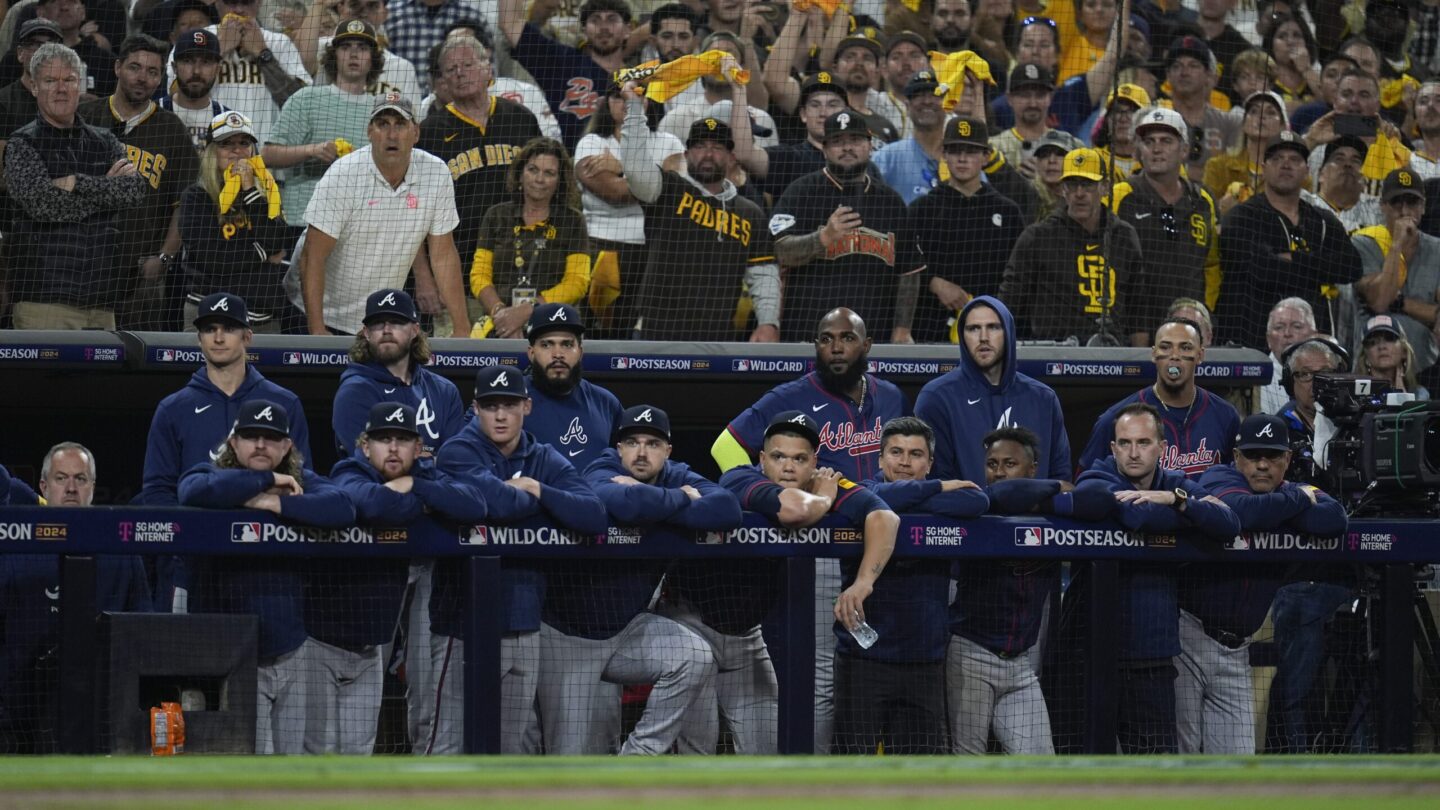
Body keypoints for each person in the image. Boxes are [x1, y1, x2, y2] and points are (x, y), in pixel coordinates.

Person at [713, 307, 906, 753]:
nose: (836, 347)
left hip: (876, 542)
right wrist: (758, 491)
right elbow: (725, 446)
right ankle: (812, 772)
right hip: (819, 542)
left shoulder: (892, 397)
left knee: (869, 669)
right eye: (825, 338)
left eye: (846, 338)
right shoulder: (793, 394)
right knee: (820, 673)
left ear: (867, 345)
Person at [535, 405, 734, 755]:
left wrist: (654, 500)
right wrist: (682, 500)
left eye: (653, 443)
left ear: (668, 451)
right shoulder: (601, 468)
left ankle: (638, 757)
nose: (642, 452)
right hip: (568, 636)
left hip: (626, 629)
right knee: (569, 759)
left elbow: (728, 509)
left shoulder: (676, 472)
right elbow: (625, 505)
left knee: (695, 655)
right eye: (632, 442)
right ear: (619, 448)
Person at [429, 364, 608, 755]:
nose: (500, 415)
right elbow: (496, 502)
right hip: (463, 626)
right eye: (491, 405)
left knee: (507, 754)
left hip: (525, 624)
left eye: (509, 405)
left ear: (526, 406)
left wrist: (537, 488)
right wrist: (531, 501)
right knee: (446, 747)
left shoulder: (542, 457)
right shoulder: (458, 451)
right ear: (475, 408)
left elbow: (594, 515)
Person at [178, 398, 355, 754]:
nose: (260, 444)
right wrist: (265, 480)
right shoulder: (211, 473)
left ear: (288, 445)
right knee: (243, 762)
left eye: (271, 438)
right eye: (251, 436)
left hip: (290, 648)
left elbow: (344, 507)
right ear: (234, 443)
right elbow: (192, 490)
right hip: (232, 657)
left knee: (289, 766)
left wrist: (277, 503)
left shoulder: (302, 482)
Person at [1073, 403, 1241, 754]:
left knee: (1155, 771)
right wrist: (1190, 515)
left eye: (1144, 442)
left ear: (1162, 448)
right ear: (1113, 448)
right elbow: (1141, 517)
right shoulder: (1097, 478)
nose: (1134, 453)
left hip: (1153, 657)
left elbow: (1229, 524)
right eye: (1125, 443)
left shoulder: (1175, 484)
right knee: (1084, 774)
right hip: (1089, 657)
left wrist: (1175, 500)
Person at [320, 403, 487, 754]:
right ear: (365, 446)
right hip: (327, 638)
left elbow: (474, 505)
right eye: (383, 439)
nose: (393, 448)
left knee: (354, 752)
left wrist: (414, 485)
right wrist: (424, 502)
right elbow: (376, 505)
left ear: (417, 447)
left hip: (375, 629)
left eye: (402, 440)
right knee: (310, 750)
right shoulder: (348, 469)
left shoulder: (424, 474)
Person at [1187, 415, 1348, 753]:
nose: (1262, 465)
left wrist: (1285, 503)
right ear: (1237, 457)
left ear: (1288, 460)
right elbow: (1243, 512)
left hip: (1238, 650)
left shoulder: (1288, 490)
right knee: (1178, 756)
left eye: (1272, 456)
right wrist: (1301, 499)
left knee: (1238, 762)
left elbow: (1335, 518)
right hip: (1188, 640)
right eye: (1253, 455)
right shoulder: (1218, 476)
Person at [0, 443, 150, 754]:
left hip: (102, 709)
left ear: (93, 487)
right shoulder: (16, 550)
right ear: (43, 486)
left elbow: (141, 631)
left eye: (80, 479)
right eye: (61, 478)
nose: (71, 488)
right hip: (20, 711)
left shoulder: (121, 553)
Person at [853, 416, 987, 754]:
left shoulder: (877, 496)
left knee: (921, 775)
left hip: (924, 662)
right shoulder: (859, 492)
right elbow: (870, 494)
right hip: (864, 661)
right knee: (851, 771)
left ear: (929, 463)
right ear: (880, 459)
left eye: (915, 454)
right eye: (896, 452)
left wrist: (905, 498)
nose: (905, 462)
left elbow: (977, 501)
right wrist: (938, 488)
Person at [300, 93, 470, 337]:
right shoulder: (343, 174)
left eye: (400, 124)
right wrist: (316, 329)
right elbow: (311, 256)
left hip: (379, 318)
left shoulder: (436, 173)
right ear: (370, 132)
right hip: (321, 314)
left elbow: (443, 255)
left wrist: (462, 326)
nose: (392, 135)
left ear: (416, 133)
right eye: (383, 124)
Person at [3, 42, 145, 330]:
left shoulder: (104, 140)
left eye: (68, 79)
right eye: (50, 80)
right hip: (43, 301)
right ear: (34, 87)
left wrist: (76, 182)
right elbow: (42, 205)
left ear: (79, 85)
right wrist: (106, 189)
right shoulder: (22, 143)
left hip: (102, 301)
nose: (61, 88)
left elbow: (134, 191)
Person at [619, 83, 777, 341]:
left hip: (717, 335)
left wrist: (769, 322)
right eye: (700, 146)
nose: (708, 154)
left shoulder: (750, 213)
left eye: (717, 148)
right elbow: (636, 169)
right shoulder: (668, 189)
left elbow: (764, 275)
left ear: (731, 157)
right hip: (656, 330)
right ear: (686, 153)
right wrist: (635, 108)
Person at [141, 292, 313, 520]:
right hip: (196, 542)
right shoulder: (173, 408)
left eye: (229, 329)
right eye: (210, 329)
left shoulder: (284, 402)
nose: (218, 338)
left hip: (268, 538)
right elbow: (157, 491)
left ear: (247, 337)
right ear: (199, 338)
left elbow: (302, 480)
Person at [74, 33, 198, 331]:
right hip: (82, 263)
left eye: (152, 71)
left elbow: (183, 203)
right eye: (134, 67)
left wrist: (164, 258)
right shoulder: (85, 116)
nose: (142, 78)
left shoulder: (172, 129)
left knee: (137, 365)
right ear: (117, 68)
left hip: (141, 273)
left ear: (160, 79)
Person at [417, 35, 542, 328]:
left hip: (523, 272)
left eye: (468, 64)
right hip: (457, 275)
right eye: (451, 69)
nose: (460, 73)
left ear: (488, 69)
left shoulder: (521, 119)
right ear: (443, 81)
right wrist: (424, 278)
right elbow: (416, 213)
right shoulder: (430, 132)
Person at [770, 111, 925, 344]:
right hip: (807, 336)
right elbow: (778, 252)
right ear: (824, 149)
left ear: (870, 146)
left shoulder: (891, 201)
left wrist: (902, 329)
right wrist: (822, 238)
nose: (847, 148)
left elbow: (909, 272)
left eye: (855, 140)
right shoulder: (800, 192)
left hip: (874, 339)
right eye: (838, 142)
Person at [1219, 132, 1363, 349]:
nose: (1286, 165)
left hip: (1311, 345)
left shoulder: (1322, 219)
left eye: (1294, 160)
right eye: (1277, 159)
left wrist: (1292, 258)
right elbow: (1262, 269)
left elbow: (1351, 267)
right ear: (1263, 167)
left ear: (1307, 170)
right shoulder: (1241, 216)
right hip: (1251, 342)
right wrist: (1318, 270)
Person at [999, 147, 1146, 346]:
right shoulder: (1037, 237)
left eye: (1087, 185)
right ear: (1062, 189)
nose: (1079, 194)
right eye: (1072, 184)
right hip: (1051, 358)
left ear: (1105, 187)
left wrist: (1137, 367)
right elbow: (1009, 304)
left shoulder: (1124, 237)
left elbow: (1138, 310)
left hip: (1112, 357)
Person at [915, 296, 1071, 483]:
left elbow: (1061, 477)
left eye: (993, 327)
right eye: (973, 329)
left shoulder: (1044, 398)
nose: (983, 338)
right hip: (966, 512)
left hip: (1034, 513)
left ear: (1008, 332)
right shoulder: (936, 397)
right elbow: (936, 481)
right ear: (962, 336)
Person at [573, 79, 682, 339]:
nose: (626, 103)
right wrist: (654, 177)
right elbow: (616, 193)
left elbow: (672, 192)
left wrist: (621, 165)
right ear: (607, 103)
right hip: (601, 248)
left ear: (648, 100)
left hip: (655, 250)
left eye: (636, 96)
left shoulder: (670, 143)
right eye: (618, 97)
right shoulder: (591, 143)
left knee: (645, 336)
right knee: (599, 334)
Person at [909, 116, 1026, 342]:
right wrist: (934, 282)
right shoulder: (921, 209)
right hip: (930, 328)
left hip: (993, 329)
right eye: (955, 151)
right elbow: (903, 263)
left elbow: (1019, 274)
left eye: (971, 151)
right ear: (944, 154)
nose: (962, 159)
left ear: (986, 156)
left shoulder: (1008, 211)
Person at [177, 111, 295, 332]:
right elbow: (212, 258)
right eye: (226, 144)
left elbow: (278, 241)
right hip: (212, 315)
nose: (237, 150)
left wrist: (250, 189)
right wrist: (262, 253)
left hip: (262, 318)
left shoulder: (266, 193)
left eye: (244, 143)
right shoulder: (196, 196)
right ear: (211, 151)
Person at [1079, 317, 1241, 477]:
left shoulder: (1225, 416)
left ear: (1200, 355)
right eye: (1165, 347)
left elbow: (1236, 481)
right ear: (1154, 353)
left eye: (1185, 348)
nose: (1175, 356)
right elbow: (1086, 486)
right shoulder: (1117, 418)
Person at [262, 19, 383, 228]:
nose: (353, 54)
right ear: (334, 55)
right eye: (345, 47)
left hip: (361, 224)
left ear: (373, 59)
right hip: (304, 220)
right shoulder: (306, 98)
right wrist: (312, 150)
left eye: (362, 48)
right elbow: (268, 154)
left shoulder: (380, 110)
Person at [470, 137, 591, 340]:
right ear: (520, 173)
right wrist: (502, 314)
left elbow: (577, 282)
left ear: (560, 180)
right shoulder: (496, 215)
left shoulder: (573, 221)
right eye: (533, 170)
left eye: (549, 173)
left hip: (551, 324)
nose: (539, 179)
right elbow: (479, 275)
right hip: (498, 322)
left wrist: (528, 311)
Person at [1112, 107, 1221, 322]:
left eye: (1166, 141)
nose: (1156, 149)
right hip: (1132, 324)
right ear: (1139, 151)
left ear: (1184, 150)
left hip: (1189, 324)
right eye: (1149, 141)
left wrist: (1205, 309)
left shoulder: (1203, 201)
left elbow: (1211, 265)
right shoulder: (1120, 196)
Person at [166, 0, 309, 146]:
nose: (239, 10)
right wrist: (218, 49)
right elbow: (174, 98)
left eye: (247, 2)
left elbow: (302, 105)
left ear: (259, 3)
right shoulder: (193, 40)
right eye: (231, 2)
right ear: (217, 4)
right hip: (207, 152)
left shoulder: (279, 42)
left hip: (264, 157)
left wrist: (264, 55)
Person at [497, 0, 629, 148]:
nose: (604, 27)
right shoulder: (562, 62)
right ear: (584, 31)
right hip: (566, 163)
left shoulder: (640, 79)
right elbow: (509, 23)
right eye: (595, 20)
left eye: (612, 19)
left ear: (627, 30)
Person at [1352, 168, 1440, 377]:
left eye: (1412, 202)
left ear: (1423, 206)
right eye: (1396, 202)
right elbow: (1381, 300)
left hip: (1425, 368)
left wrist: (1400, 302)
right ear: (1383, 206)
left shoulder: (1437, 249)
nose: (1404, 210)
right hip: (1371, 369)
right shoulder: (1364, 243)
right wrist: (1397, 244)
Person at [735, 71, 848, 200]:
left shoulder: (859, 160)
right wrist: (738, 87)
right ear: (803, 114)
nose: (823, 113)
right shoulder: (788, 159)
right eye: (815, 105)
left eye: (832, 105)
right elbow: (744, 154)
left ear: (846, 113)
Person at [1161, 36, 1240, 181]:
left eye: (1193, 66)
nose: (1184, 72)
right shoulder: (1155, 119)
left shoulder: (1229, 123)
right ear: (1168, 75)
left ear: (1208, 75)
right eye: (1177, 66)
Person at [1202, 89, 1291, 216]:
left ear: (1284, 127)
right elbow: (1205, 214)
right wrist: (1222, 209)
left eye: (1270, 112)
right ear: (1243, 123)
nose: (1261, 117)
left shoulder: (1292, 173)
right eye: (1254, 111)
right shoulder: (1217, 166)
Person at [871, 68, 949, 205]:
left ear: (947, 104)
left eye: (935, 95)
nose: (927, 101)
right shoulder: (887, 157)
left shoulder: (960, 157)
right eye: (919, 95)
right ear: (907, 106)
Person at [385, 0, 492, 96]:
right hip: (399, 103)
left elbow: (488, 66)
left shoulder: (472, 14)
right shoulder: (390, 13)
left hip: (455, 104)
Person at [160, 28, 228, 152]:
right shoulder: (151, 114)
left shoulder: (228, 122)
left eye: (206, 62)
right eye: (188, 61)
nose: (196, 71)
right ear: (174, 67)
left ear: (218, 69)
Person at [29, 0, 115, 96]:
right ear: (40, 12)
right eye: (55, 1)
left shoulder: (106, 61)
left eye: (72, 1)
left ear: (83, 12)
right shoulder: (28, 57)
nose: (64, 7)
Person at [1301, 134, 1382, 233]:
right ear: (1321, 174)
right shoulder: (1304, 203)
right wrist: (1311, 140)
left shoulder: (1377, 210)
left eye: (1355, 161)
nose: (1348, 164)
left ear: (1364, 179)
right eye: (1339, 159)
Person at [0, 18, 61, 149]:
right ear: (20, 53)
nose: (44, 51)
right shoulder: (3, 103)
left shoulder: (68, 99)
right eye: (35, 44)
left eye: (51, 45)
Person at [1356, 314, 1432, 399]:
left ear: (1404, 351)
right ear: (1366, 357)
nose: (1381, 346)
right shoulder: (1356, 396)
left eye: (1389, 338)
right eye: (1373, 342)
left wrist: (1402, 396)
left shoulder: (1419, 395)